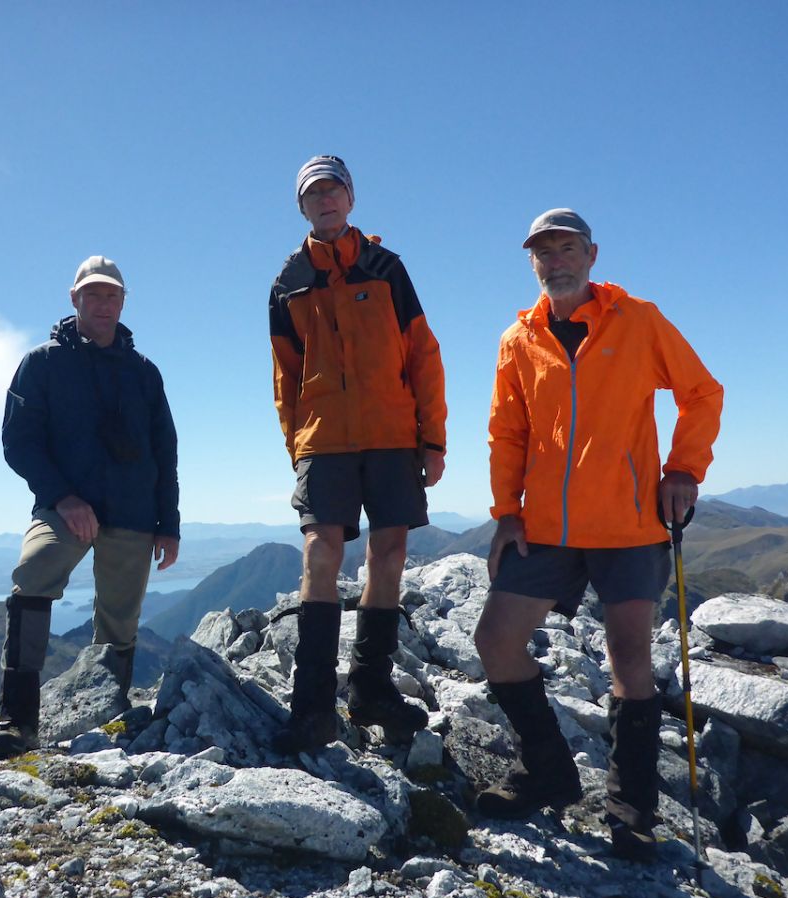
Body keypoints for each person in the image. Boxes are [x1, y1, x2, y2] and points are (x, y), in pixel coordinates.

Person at [473, 209, 724, 859]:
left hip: (629, 523)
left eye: (567, 248)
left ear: (591, 253)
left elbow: (701, 392)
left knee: (629, 661)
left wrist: (683, 469)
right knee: (496, 640)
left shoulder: (637, 320)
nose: (555, 260)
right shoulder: (518, 338)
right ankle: (549, 769)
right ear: (533, 262)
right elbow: (508, 432)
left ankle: (630, 808)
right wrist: (506, 512)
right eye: (543, 252)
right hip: (548, 528)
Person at [268, 155, 447, 754]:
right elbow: (284, 377)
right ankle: (312, 703)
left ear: (351, 198)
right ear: (302, 206)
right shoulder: (289, 281)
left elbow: (422, 353)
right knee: (322, 552)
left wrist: (433, 438)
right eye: (313, 192)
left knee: (389, 552)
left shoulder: (386, 267)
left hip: (394, 434)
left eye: (334, 189)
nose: (325, 199)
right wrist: (299, 445)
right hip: (325, 438)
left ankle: (370, 685)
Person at [0, 255, 180, 763]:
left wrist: (169, 523)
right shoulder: (43, 363)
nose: (103, 303)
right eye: (92, 294)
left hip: (134, 512)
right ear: (74, 299)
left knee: (120, 619)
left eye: (112, 295)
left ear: (123, 302)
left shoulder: (143, 373)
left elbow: (165, 452)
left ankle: (110, 715)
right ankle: (16, 720)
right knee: (34, 572)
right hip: (63, 506)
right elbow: (17, 441)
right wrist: (63, 497)